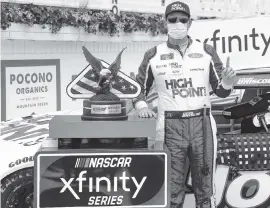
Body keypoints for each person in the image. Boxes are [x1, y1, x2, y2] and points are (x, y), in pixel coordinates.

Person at [133, 1, 236, 208]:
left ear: (190, 23)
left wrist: (227, 82)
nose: (177, 23)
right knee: (172, 188)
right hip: (171, 126)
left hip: (202, 124)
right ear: (165, 23)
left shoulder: (206, 51)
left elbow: (221, 91)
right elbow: (138, 89)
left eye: (182, 19)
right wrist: (142, 107)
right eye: (172, 19)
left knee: (205, 186)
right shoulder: (153, 55)